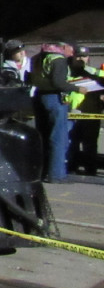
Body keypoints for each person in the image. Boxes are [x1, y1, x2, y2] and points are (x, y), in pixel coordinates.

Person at [30, 41, 86, 183]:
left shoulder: (38, 58)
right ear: (61, 48)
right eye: (70, 49)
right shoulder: (58, 60)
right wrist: (77, 89)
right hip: (54, 98)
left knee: (43, 135)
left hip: (39, 96)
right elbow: (58, 82)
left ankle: (41, 172)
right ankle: (57, 174)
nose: (72, 53)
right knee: (58, 137)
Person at [68, 46, 102, 176]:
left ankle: (90, 169)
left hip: (91, 112)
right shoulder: (67, 72)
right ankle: (72, 167)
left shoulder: (96, 72)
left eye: (84, 56)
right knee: (72, 142)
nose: (81, 58)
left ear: (88, 58)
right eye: (78, 56)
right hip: (72, 112)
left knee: (90, 143)